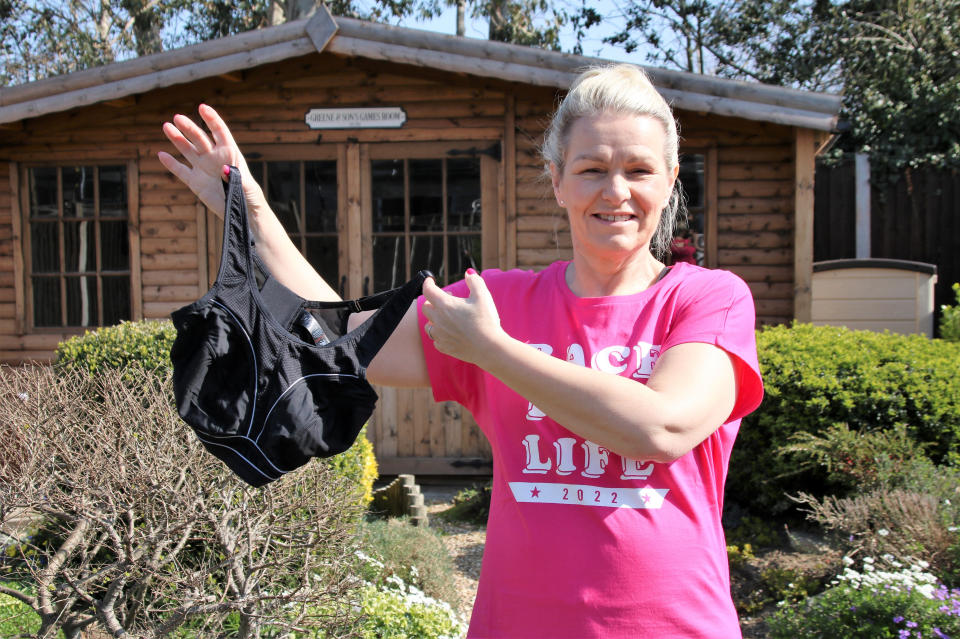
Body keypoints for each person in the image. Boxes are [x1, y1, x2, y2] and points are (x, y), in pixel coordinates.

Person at [159, 63, 764, 638]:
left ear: (669, 179)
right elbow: (344, 338)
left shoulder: (709, 300)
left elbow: (662, 428)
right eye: (590, 169)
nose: (616, 191)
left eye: (638, 169)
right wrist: (254, 214)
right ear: (556, 180)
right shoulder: (500, 303)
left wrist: (492, 350)